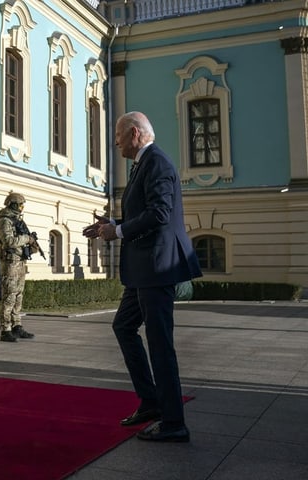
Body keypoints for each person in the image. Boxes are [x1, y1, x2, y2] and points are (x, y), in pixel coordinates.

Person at [83, 111, 202, 442]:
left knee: (160, 344)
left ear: (135, 133)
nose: (116, 142)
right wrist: (111, 222)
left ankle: (174, 422)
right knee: (123, 326)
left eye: (119, 135)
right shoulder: (144, 164)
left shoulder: (158, 163)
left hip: (156, 267)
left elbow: (160, 213)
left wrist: (117, 230)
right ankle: (151, 401)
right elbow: (145, 211)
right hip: (142, 270)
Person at [0, 192, 38, 342]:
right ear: (12, 204)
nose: (22, 207)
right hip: (10, 263)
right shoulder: (4, 221)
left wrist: (32, 245)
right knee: (9, 296)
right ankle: (5, 329)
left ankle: (16, 326)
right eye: (20, 204)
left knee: (19, 295)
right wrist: (26, 238)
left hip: (20, 262)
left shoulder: (17, 220)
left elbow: (22, 241)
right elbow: (8, 241)